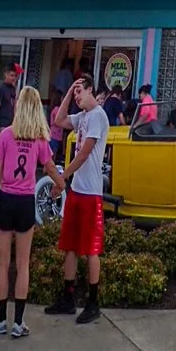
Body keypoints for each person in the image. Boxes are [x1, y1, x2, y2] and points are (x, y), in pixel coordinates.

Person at [0, 87, 60, 338]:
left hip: (7, 198)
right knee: (22, 264)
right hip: (26, 201)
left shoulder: (7, 135)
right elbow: (50, 168)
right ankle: (18, 322)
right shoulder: (40, 139)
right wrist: (61, 185)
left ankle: (0, 319)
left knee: (2, 263)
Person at [51, 81, 112, 325]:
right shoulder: (82, 116)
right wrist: (67, 92)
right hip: (76, 190)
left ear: (91, 91)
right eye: (74, 91)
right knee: (70, 246)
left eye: (80, 91)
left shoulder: (97, 116)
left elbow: (85, 152)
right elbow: (59, 120)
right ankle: (67, 297)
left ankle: (93, 301)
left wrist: (62, 177)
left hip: (90, 192)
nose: (77, 96)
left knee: (91, 248)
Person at [0, 62, 21, 140]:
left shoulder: (13, 88)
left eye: (15, 76)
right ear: (6, 75)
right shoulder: (1, 88)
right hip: (2, 125)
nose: (13, 78)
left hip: (11, 125)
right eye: (11, 75)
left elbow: (15, 107)